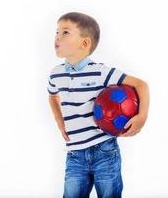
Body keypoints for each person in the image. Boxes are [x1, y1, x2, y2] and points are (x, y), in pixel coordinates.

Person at [47, 12, 150, 198]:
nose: (57, 37)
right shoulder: (55, 75)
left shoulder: (101, 72)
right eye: (57, 32)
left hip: (104, 150)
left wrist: (141, 117)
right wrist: (59, 121)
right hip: (75, 155)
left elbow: (142, 85)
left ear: (84, 43)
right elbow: (53, 96)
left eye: (65, 32)